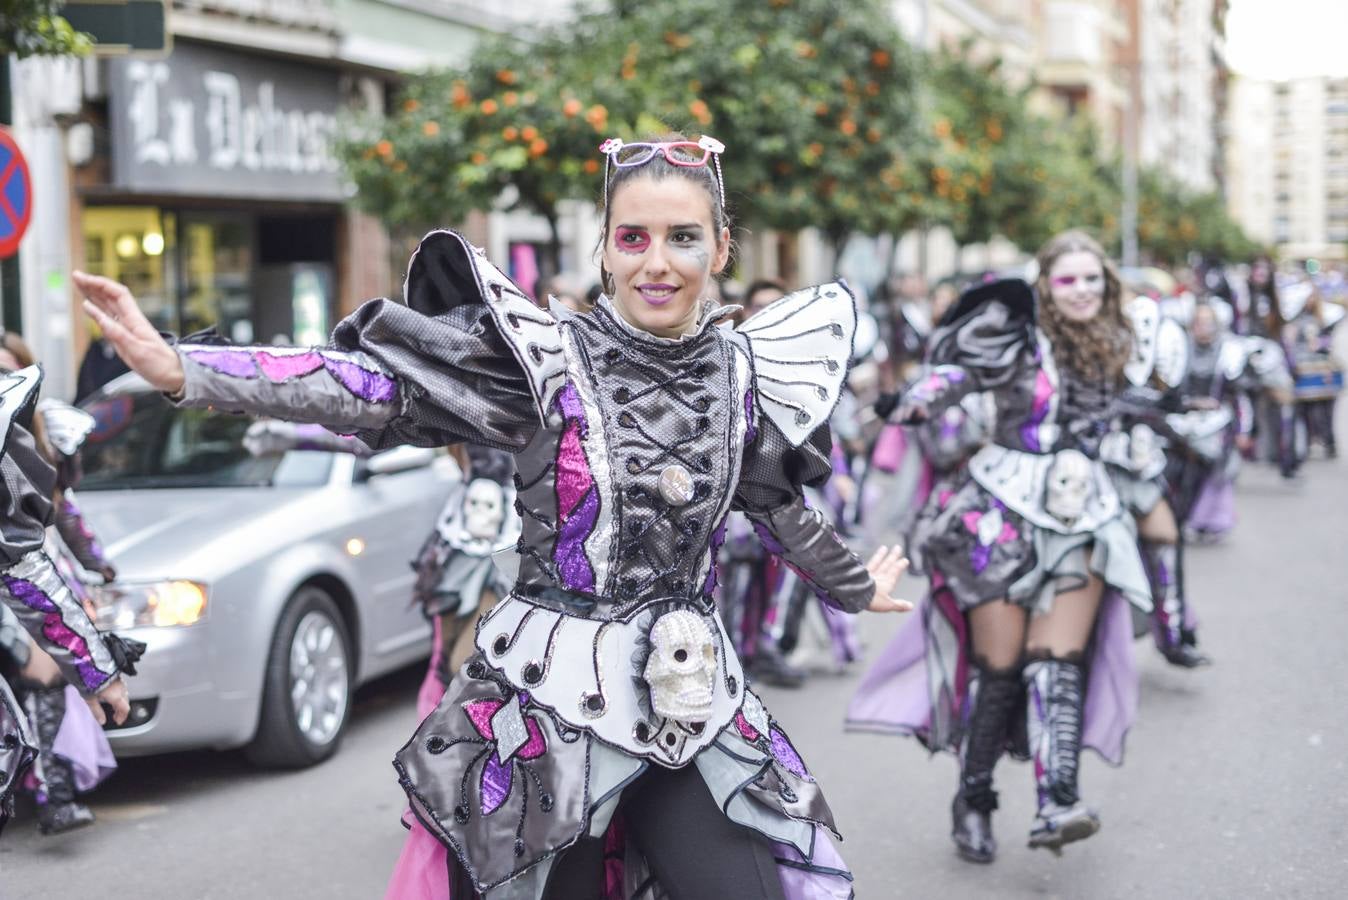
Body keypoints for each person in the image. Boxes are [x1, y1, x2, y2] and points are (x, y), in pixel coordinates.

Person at [76, 133, 912, 900]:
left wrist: (846, 585)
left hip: (693, 698)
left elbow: (773, 504)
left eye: (683, 237)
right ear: (607, 250)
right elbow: (366, 387)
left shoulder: (743, 376)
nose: (658, 262)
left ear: (720, 248)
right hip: (548, 706)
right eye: (634, 238)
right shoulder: (543, 364)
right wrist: (186, 367)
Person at [848, 230, 1157, 863]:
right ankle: (975, 796)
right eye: (1067, 279)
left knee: (1059, 660)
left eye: (1092, 279)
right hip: (1002, 507)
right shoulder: (1014, 336)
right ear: (1045, 283)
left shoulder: (1120, 342)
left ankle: (1057, 799)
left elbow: (1133, 410)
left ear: (1108, 284)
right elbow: (953, 379)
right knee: (1001, 666)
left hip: (1085, 512)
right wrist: (903, 404)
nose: (1082, 291)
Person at [0, 331, 133, 834]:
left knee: (42, 676)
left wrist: (97, 562)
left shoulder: (38, 433)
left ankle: (54, 791)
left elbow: (60, 513)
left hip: (33, 568)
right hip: (24, 571)